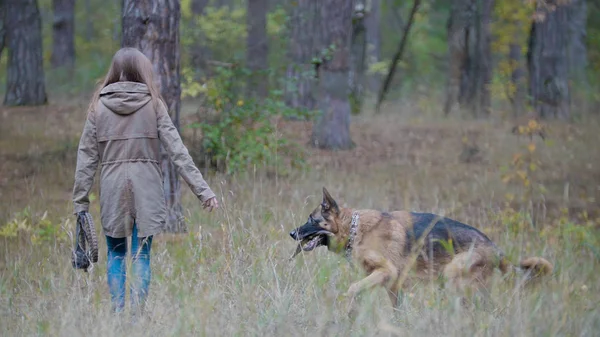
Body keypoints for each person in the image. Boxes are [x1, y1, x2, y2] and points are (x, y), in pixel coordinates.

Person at [72, 47, 218, 315]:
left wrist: (80, 202)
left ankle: (117, 316)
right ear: (143, 71)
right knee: (142, 255)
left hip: (113, 186)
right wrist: (203, 190)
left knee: (115, 254)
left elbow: (86, 158)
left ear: (114, 71)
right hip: (147, 187)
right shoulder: (153, 104)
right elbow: (177, 150)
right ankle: (137, 318)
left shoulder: (98, 107)